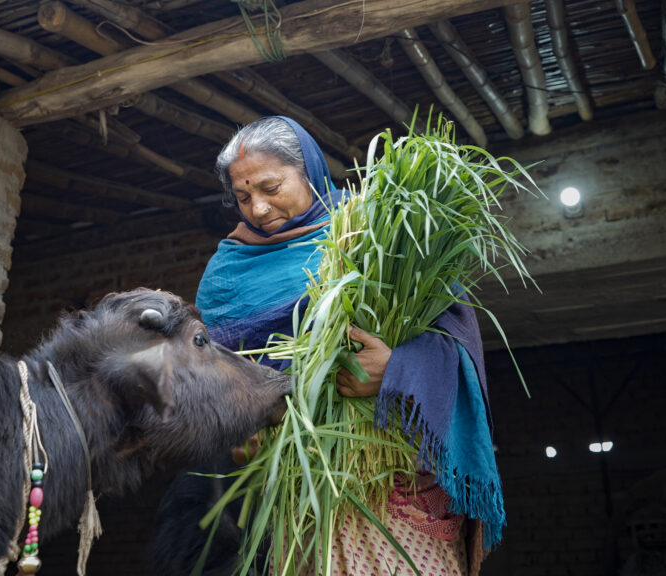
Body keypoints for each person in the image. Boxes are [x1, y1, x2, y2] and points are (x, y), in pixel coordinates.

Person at [153, 116, 504, 576]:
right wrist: (238, 424)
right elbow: (213, 373)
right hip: (283, 492)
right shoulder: (227, 271)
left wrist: (396, 367)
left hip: (387, 476)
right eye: (242, 197)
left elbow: (453, 334)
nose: (257, 208)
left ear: (310, 174)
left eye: (270, 187)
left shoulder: (375, 231)